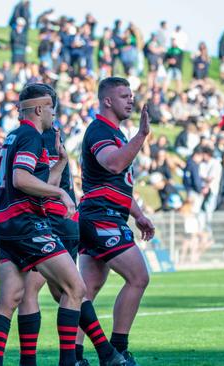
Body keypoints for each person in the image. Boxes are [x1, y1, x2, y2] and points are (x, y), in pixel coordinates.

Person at [0, 83, 124, 366]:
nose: (53, 114)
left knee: (9, 298)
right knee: (75, 288)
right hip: (28, 226)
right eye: (50, 107)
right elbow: (21, 179)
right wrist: (61, 192)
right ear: (38, 109)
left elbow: (34, 181)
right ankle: (71, 361)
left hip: (6, 229)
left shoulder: (12, 137)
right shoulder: (32, 136)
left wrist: (59, 167)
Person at [76, 77, 155, 365]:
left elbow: (117, 184)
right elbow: (113, 163)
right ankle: (118, 349)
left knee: (86, 289)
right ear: (107, 100)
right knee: (138, 277)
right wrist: (141, 136)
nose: (130, 101)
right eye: (124, 96)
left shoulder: (117, 134)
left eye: (131, 95)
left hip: (105, 214)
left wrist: (138, 214)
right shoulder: (99, 130)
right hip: (101, 216)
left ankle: (74, 355)